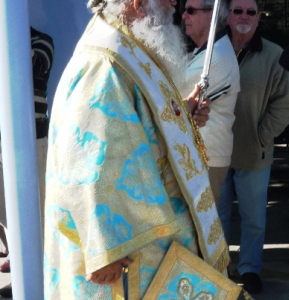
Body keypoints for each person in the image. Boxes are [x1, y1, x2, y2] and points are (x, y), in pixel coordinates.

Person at [43, 0, 231, 299]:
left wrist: (180, 114)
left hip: (161, 246)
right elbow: (86, 155)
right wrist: (104, 248)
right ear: (138, 3)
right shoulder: (104, 62)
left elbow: (130, 122)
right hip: (131, 255)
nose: (174, 5)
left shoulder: (127, 45)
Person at [217, 0, 289, 294]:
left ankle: (250, 268)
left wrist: (263, 134)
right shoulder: (214, 51)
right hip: (216, 152)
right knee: (217, 216)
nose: (244, 17)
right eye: (238, 10)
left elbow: (286, 103)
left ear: (258, 18)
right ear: (228, 16)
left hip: (253, 151)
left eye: (251, 12)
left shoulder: (275, 55)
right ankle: (220, 267)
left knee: (254, 218)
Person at [0, 27, 54, 297]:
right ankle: (22, 268)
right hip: (3, 143)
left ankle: (38, 276)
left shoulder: (42, 42)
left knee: (35, 210)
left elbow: (29, 62)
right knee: (6, 210)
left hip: (32, 141)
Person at [182, 0, 240, 205]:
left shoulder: (217, 57)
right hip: (197, 157)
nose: (183, 16)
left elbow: (172, 97)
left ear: (212, 15)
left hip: (205, 159)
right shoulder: (207, 51)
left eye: (190, 10)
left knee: (202, 229)